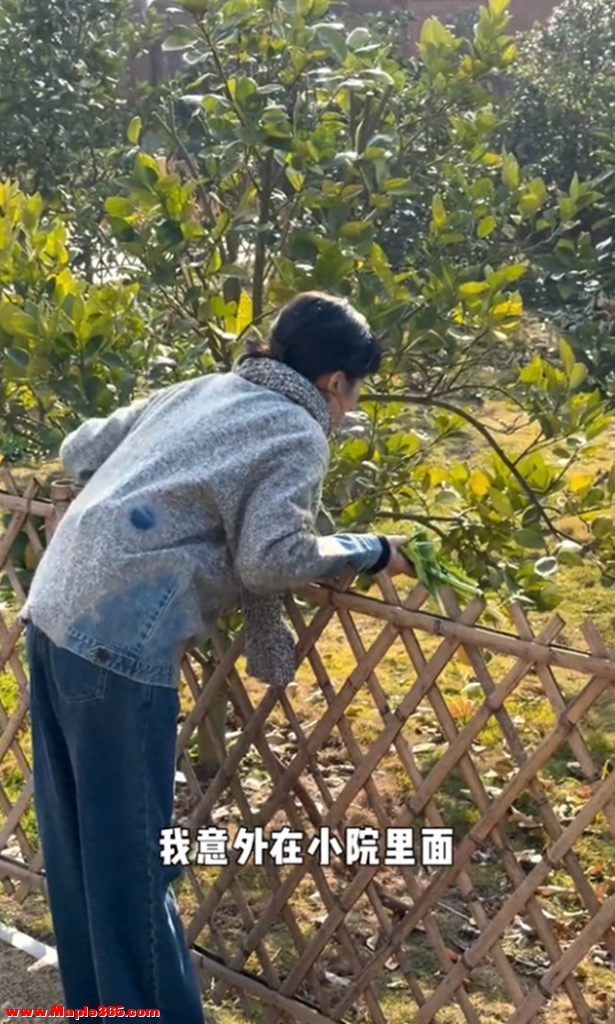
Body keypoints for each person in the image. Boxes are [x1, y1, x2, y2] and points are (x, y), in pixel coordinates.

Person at [21, 291, 414, 1022]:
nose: (347, 407)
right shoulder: (296, 431)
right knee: (135, 871)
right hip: (116, 638)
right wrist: (368, 549)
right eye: (352, 392)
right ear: (334, 382)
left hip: (54, 610)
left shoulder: (205, 387)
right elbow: (272, 559)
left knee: (80, 855)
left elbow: (79, 448)